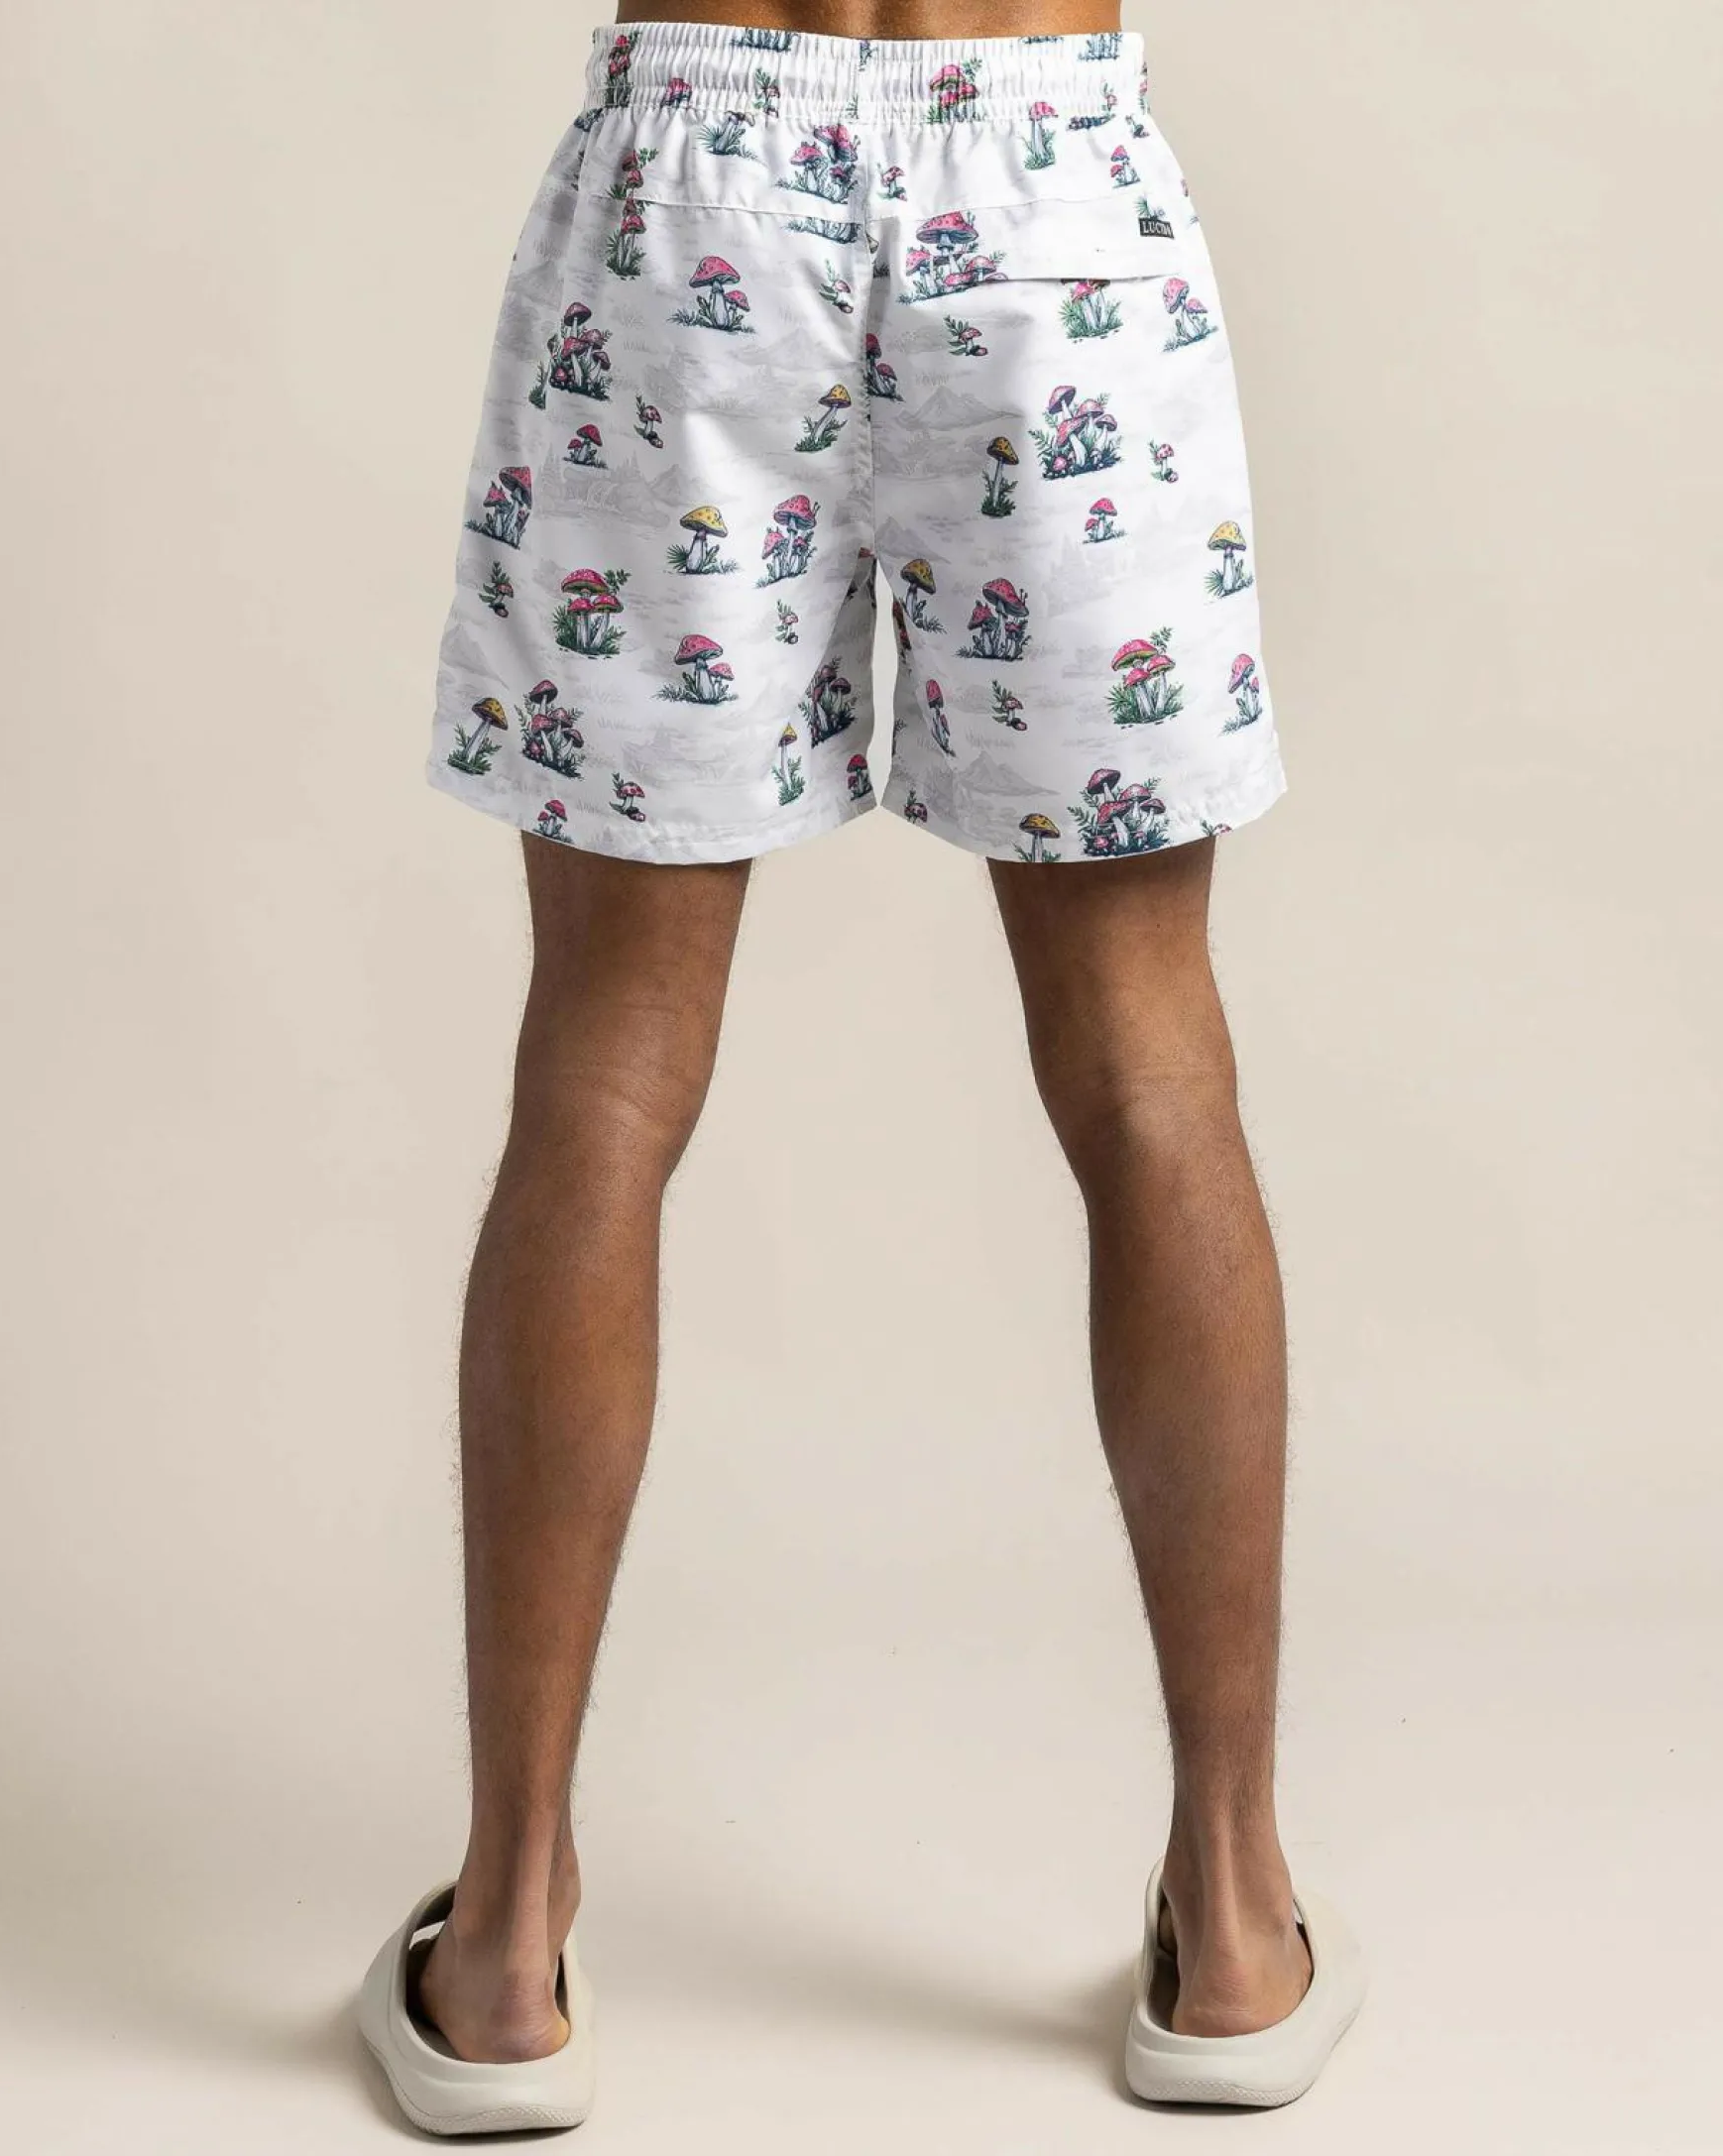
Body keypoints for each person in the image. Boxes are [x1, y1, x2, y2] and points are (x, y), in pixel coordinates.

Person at [359, 5, 1364, 2131]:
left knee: (603, 1078)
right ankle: (1237, 1922)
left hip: (695, 171)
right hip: (1049, 174)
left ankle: (507, 1947)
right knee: (1150, 1068)